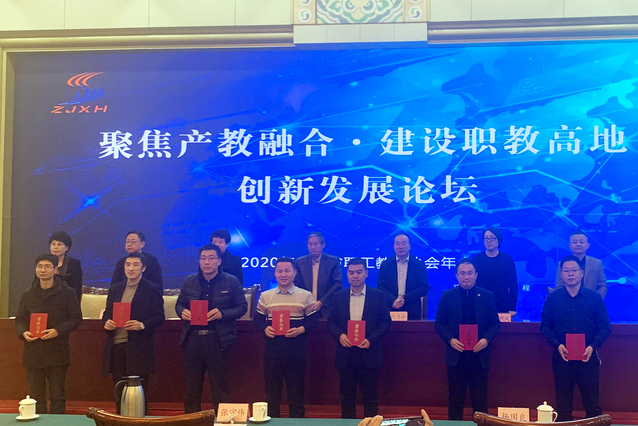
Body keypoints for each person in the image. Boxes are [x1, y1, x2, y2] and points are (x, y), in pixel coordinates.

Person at [175, 244, 247, 414]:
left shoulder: (231, 281)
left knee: (219, 387)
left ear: (219, 261)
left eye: (211, 258)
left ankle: (222, 422)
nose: (206, 262)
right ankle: (191, 421)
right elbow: (179, 304)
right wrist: (182, 312)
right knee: (192, 387)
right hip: (193, 339)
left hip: (218, 339)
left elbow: (242, 307)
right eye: (203, 258)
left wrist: (222, 314)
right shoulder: (189, 281)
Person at [541, 255, 611, 421]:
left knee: (593, 406)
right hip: (562, 358)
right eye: (566, 271)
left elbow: (605, 327)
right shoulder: (553, 298)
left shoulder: (594, 298)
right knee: (563, 407)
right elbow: (545, 326)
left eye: (574, 270)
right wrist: (557, 345)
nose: (570, 274)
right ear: (561, 274)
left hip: (588, 358)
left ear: (582, 273)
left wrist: (593, 346)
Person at [14, 253, 82, 414]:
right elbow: (19, 320)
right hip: (33, 352)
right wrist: (23, 332)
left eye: (47, 267)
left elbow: (76, 319)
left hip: (57, 351)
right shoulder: (28, 294)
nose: (42, 270)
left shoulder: (67, 293)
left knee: (57, 396)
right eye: (39, 266)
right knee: (36, 396)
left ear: (55, 270)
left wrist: (58, 330)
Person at [434, 258, 500, 420]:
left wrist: (486, 340)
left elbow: (495, 324)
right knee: (455, 400)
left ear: (476, 275)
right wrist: (450, 340)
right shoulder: (448, 296)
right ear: (456, 275)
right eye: (462, 273)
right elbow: (439, 323)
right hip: (456, 356)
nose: (466, 277)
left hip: (479, 356)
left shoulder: (487, 296)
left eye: (470, 273)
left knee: (480, 401)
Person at [253, 257, 318, 418]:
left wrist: (300, 330)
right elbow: (258, 319)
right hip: (272, 352)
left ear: (294, 273)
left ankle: (297, 422)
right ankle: (272, 420)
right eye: (280, 271)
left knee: (296, 391)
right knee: (272, 392)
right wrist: (265, 328)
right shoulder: (266, 296)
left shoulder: (305, 295)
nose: (283, 274)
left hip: (296, 351)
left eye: (287, 271)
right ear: (275, 273)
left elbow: (313, 320)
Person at [327, 258, 392, 419]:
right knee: (347, 398)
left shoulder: (378, 295)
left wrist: (371, 340)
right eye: (351, 272)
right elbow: (331, 322)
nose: (355, 276)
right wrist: (340, 335)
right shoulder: (338, 297)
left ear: (366, 273)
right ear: (347, 274)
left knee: (370, 398)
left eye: (359, 272)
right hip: (346, 354)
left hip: (369, 353)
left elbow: (385, 322)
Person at [102, 252, 165, 415]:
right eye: (128, 264)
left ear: (143, 268)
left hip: (139, 348)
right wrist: (107, 322)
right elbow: (107, 314)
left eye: (135, 265)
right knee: (119, 390)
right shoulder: (116, 288)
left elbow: (159, 317)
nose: (131, 268)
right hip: (117, 346)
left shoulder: (152, 289)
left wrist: (142, 325)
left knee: (138, 393)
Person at [377, 233, 429, 320]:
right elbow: (381, 287)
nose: (400, 246)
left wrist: (404, 299)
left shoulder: (419, 265)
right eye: (397, 243)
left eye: (404, 243)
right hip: (390, 307)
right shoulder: (385, 265)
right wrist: (393, 300)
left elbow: (424, 288)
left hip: (412, 308)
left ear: (409, 246)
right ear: (394, 246)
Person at [294, 231, 343, 318]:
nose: (313, 247)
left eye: (316, 244)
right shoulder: (300, 262)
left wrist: (321, 302)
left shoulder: (333, 261)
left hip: (327, 308)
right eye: (310, 244)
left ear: (323, 244)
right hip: (305, 309)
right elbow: (297, 285)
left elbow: (337, 284)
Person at [472, 227, 518, 316]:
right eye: (486, 238)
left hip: (502, 304)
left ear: (499, 240)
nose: (489, 241)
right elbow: (473, 283)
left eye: (492, 238)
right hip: (481, 302)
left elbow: (513, 285)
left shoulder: (507, 259)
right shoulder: (477, 259)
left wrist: (512, 308)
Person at [556, 230, 607, 298]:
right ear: (570, 246)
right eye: (575, 242)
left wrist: (595, 299)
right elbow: (559, 286)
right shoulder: (563, 263)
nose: (578, 244)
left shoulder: (597, 263)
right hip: (568, 302)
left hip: (591, 301)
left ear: (587, 245)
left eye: (582, 242)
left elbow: (602, 286)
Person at [48, 231, 83, 304]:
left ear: (67, 247)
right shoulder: (44, 262)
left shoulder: (74, 264)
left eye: (59, 244)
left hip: (66, 302)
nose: (55, 247)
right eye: (53, 244)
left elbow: (77, 289)